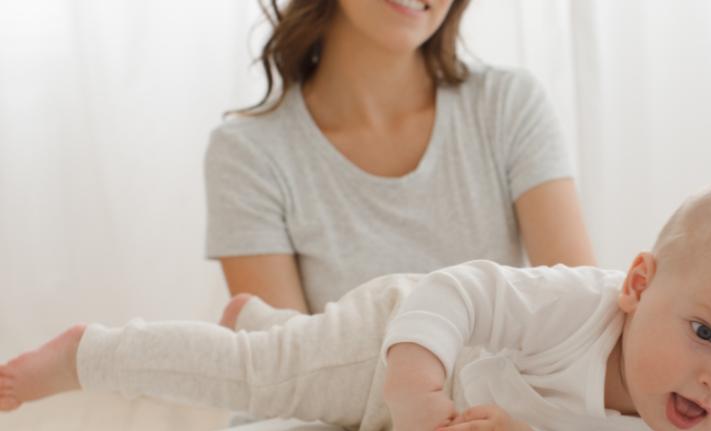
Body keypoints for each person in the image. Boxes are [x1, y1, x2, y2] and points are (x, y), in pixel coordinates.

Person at [0, 179, 711, 431]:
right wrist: (413, 380)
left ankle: (263, 320)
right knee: (258, 378)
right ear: (636, 286)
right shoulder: (577, 310)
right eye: (705, 333)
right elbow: (459, 292)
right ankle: (86, 354)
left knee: (288, 352)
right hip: (395, 349)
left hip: (440, 413)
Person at [208, 0, 596, 320]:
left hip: (490, 412)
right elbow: (286, 372)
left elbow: (580, 317)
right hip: (325, 417)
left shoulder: (507, 105)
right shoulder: (248, 152)